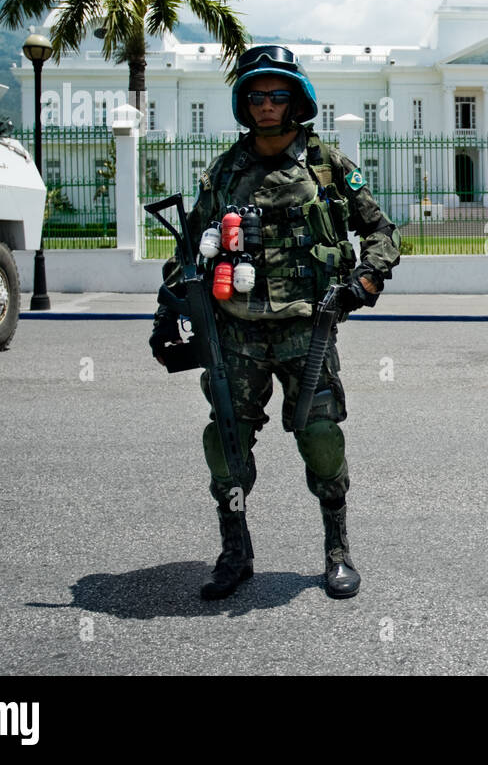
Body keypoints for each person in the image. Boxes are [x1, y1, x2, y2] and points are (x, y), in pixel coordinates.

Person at [149, 45, 400, 601]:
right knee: (227, 447)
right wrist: (168, 312)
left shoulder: (328, 164)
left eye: (278, 94)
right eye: (257, 95)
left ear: (296, 99)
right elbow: (189, 249)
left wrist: (366, 279)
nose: (267, 105)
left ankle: (337, 548)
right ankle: (235, 552)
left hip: (306, 331)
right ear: (245, 101)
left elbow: (382, 233)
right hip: (234, 333)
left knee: (320, 440)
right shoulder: (225, 170)